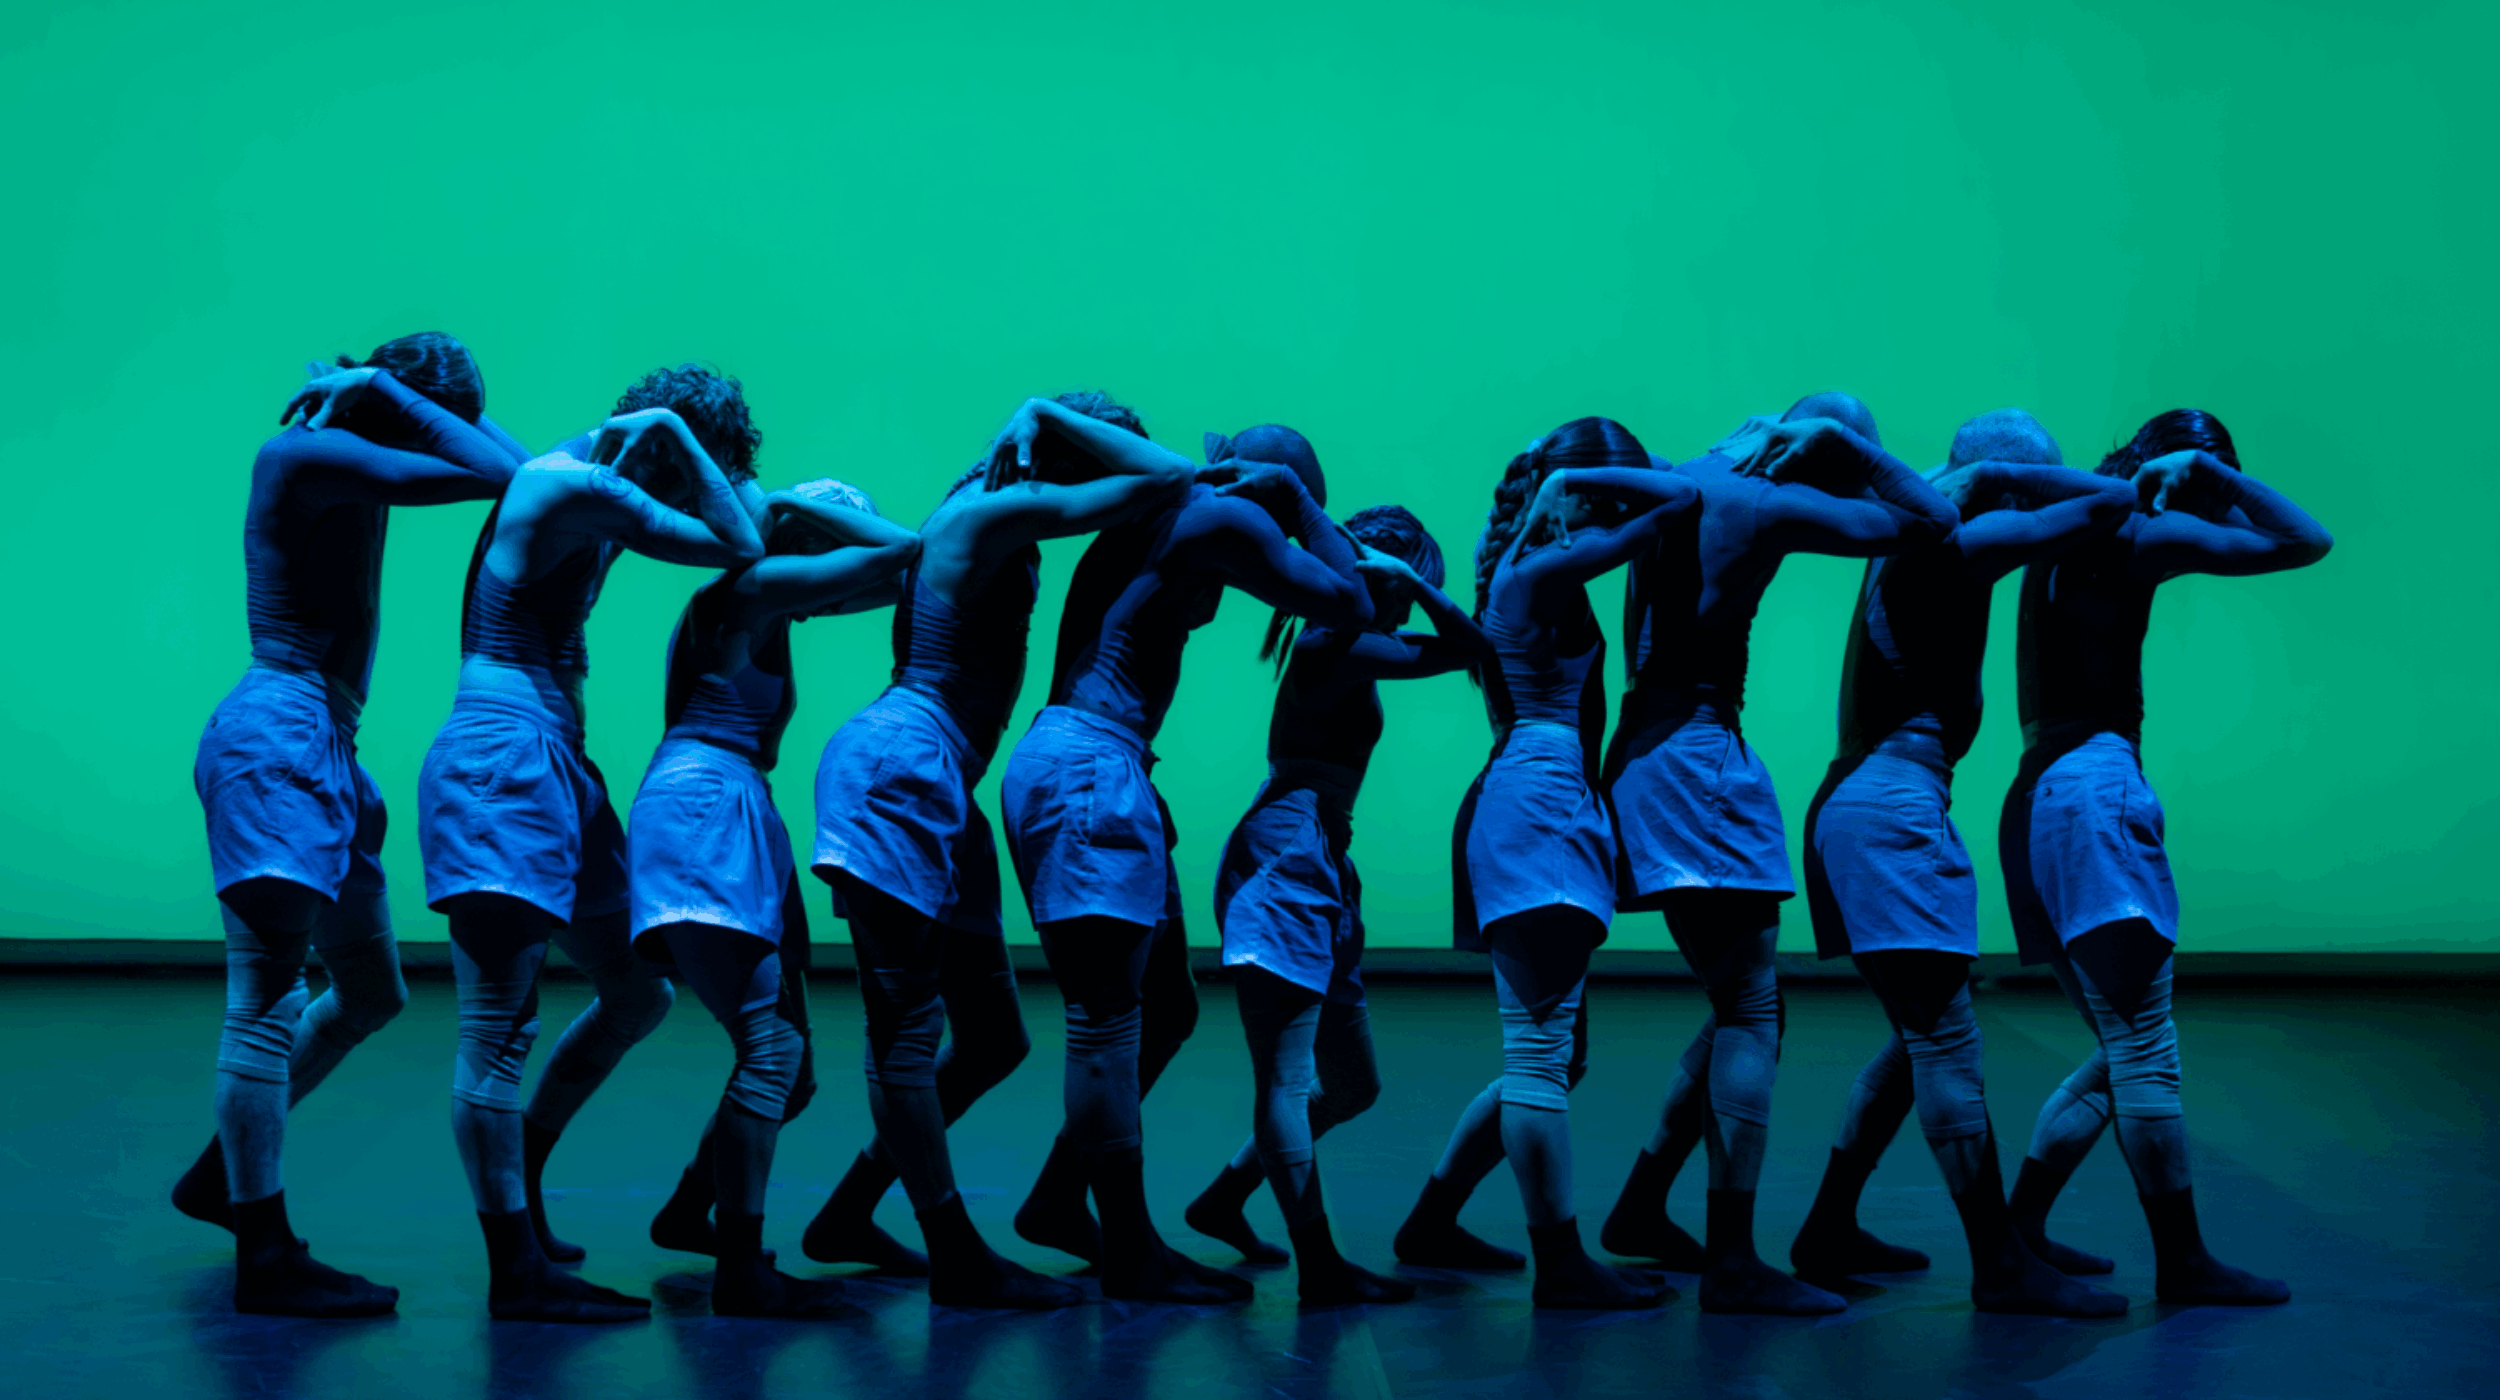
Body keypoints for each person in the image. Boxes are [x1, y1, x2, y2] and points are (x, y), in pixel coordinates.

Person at [805, 393, 1193, 1308]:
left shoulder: (985, 517)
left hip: (942, 782)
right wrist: (1041, 411)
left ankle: (849, 1212)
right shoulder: (989, 511)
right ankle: (954, 1254)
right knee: (905, 1035)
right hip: (901, 768)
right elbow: (1167, 477)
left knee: (992, 1038)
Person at [180, 335, 524, 1317]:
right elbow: (500, 474)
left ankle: (224, 1172)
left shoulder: (355, 453)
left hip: (325, 743)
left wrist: (389, 394)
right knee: (268, 997)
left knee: (370, 991)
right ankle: (263, 1250)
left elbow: (519, 470)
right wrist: (377, 387)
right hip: (278, 737)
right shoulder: (306, 454)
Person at [1593, 393, 1957, 1314]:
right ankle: (1732, 1261)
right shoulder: (1762, 502)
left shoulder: (1686, 478)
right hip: (1696, 758)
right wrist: (1846, 449)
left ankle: (1642, 1205)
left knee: (1738, 1005)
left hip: (1647, 747)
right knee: (1755, 1011)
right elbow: (1930, 522)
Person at [416, 365, 767, 1323]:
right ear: (661, 442)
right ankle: (515, 1272)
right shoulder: (570, 483)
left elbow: (745, 515)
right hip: (501, 761)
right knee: (498, 1029)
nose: (689, 488)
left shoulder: (587, 474)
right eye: (685, 466)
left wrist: (687, 447)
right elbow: (738, 540)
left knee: (639, 991)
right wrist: (678, 437)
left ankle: (521, 1175)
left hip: (554, 762)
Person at [1000, 419, 1372, 1303]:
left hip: (1103, 761)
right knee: (1107, 1021)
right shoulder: (1223, 517)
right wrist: (1297, 506)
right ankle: (1131, 1252)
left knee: (1166, 1005)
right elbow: (1350, 603)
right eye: (1296, 504)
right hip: (1091, 765)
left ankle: (1060, 1199)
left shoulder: (1169, 511)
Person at [1787, 409, 2132, 1316]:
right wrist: (1999, 483)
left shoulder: (1911, 535)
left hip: (1862, 800)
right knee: (1945, 1043)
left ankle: (1828, 1226)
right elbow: (2110, 503)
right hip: (1890, 807)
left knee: (1918, 1040)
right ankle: (2000, 1264)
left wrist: (1981, 478)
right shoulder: (1956, 541)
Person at [2000, 409, 2330, 1306]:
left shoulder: (2065, 526)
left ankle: (2019, 1229)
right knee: (2144, 1047)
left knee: (2120, 1049)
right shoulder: (2137, 531)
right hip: (2093, 790)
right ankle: (2182, 1263)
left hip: (2035, 794)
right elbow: (2303, 541)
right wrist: (2215, 479)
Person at [1393, 417, 1698, 1310]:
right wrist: (1602, 486)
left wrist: (1586, 485)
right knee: (1539, 1056)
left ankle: (1432, 1220)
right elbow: (1679, 503)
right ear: (1584, 494)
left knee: (1558, 1058)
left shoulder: (1531, 567)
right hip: (1541, 807)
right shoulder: (1542, 569)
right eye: (1612, 491)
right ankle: (1560, 1263)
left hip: (1538, 801)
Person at [627, 478, 921, 1317]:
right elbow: (906, 552)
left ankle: (692, 1208)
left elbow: (901, 582)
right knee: (770, 1053)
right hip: (703, 808)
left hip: (732, 806)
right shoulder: (752, 586)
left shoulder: (773, 601)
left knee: (791, 1073)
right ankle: (740, 1268)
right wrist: (800, 503)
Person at [1182, 504, 1487, 1305]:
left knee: (1352, 1084)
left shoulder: (1349, 640)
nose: (1402, 596)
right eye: (1398, 579)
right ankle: (1320, 1265)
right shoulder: (1334, 641)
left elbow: (1466, 650)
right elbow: (1473, 649)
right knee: (1286, 1079)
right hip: (1285, 857)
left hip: (1320, 859)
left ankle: (1224, 1198)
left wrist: (1408, 584)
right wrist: (1416, 584)